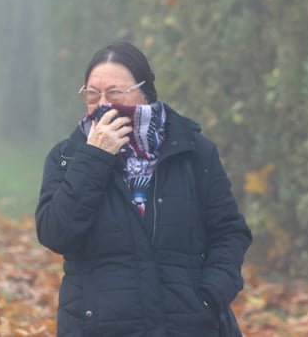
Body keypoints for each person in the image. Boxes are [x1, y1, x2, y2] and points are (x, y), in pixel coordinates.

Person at [35, 41, 251, 336]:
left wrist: (209, 298)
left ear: (145, 92)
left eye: (114, 93)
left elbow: (229, 233)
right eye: (92, 94)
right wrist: (95, 158)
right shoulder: (67, 156)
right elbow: (55, 233)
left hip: (187, 327)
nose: (102, 105)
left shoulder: (193, 152)